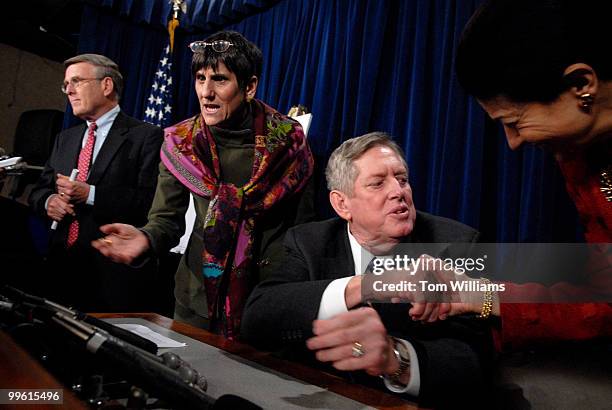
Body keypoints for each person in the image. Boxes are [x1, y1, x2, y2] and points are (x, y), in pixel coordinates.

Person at [412, 0, 612, 349]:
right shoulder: (578, 155)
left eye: (514, 122)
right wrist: (480, 296)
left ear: (581, 84)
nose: (513, 143)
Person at [241, 133, 493, 408]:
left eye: (402, 179)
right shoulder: (307, 241)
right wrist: (365, 285)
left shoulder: (457, 244)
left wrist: (397, 359)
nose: (398, 191)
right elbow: (258, 318)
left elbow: (474, 361)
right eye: (378, 183)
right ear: (342, 204)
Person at [93, 31, 314, 338]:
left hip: (268, 299)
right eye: (200, 78)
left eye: (220, 80)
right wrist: (146, 238)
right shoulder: (179, 144)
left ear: (249, 86)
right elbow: (165, 221)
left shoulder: (288, 144)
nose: (206, 92)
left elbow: (303, 229)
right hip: (197, 298)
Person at [29, 54, 163, 311]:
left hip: (110, 275)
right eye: (66, 84)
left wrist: (91, 194)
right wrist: (49, 202)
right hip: (59, 267)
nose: (68, 90)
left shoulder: (146, 137)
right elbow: (39, 190)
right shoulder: (64, 139)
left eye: (77, 81)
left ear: (106, 85)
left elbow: (150, 202)